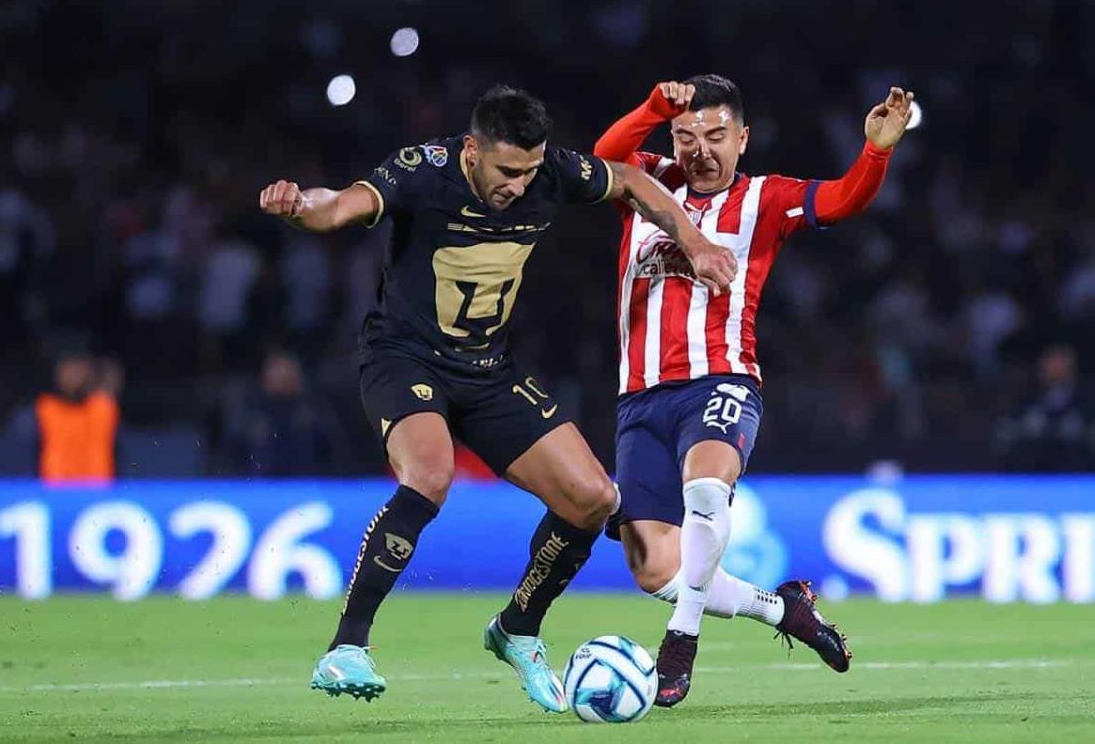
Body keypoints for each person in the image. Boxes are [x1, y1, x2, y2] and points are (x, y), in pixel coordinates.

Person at [259, 85, 735, 711]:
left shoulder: (550, 172)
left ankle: (517, 629)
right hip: (405, 356)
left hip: (487, 368)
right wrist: (299, 206)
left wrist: (693, 241)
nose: (519, 185)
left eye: (530, 171)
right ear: (473, 151)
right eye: (508, 171)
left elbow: (627, 180)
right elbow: (340, 206)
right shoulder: (420, 172)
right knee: (430, 474)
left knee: (593, 500)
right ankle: (347, 646)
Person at [594, 76, 915, 706]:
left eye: (715, 136)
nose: (699, 150)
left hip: (722, 379)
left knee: (708, 488)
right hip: (640, 397)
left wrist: (876, 151)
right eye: (686, 137)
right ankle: (783, 608)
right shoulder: (646, 182)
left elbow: (845, 199)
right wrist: (656, 109)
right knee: (654, 568)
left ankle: (680, 642)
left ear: (742, 138)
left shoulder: (766, 198)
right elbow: (606, 155)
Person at [20, 353, 120, 484]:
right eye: (68, 370)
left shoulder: (104, 408)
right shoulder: (43, 408)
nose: (74, 376)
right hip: (54, 490)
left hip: (97, 491)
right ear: (57, 374)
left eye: (79, 370)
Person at [995, 344, 1094, 471]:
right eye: (1050, 363)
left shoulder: (1087, 405)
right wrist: (1028, 430)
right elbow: (1003, 440)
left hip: (1079, 479)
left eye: (1060, 363)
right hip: (1031, 478)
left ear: (1072, 368)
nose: (1055, 369)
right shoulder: (1024, 403)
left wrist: (1077, 432)